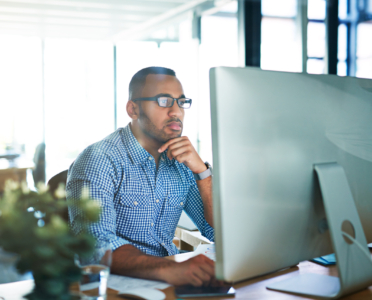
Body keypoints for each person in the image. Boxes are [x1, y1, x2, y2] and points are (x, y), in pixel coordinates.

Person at [67, 67, 216, 286]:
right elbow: (96, 246)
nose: (176, 111)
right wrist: (170, 268)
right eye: (164, 101)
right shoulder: (99, 159)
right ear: (133, 109)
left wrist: (203, 172)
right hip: (113, 285)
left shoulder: (183, 161)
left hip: (168, 281)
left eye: (181, 102)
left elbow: (218, 232)